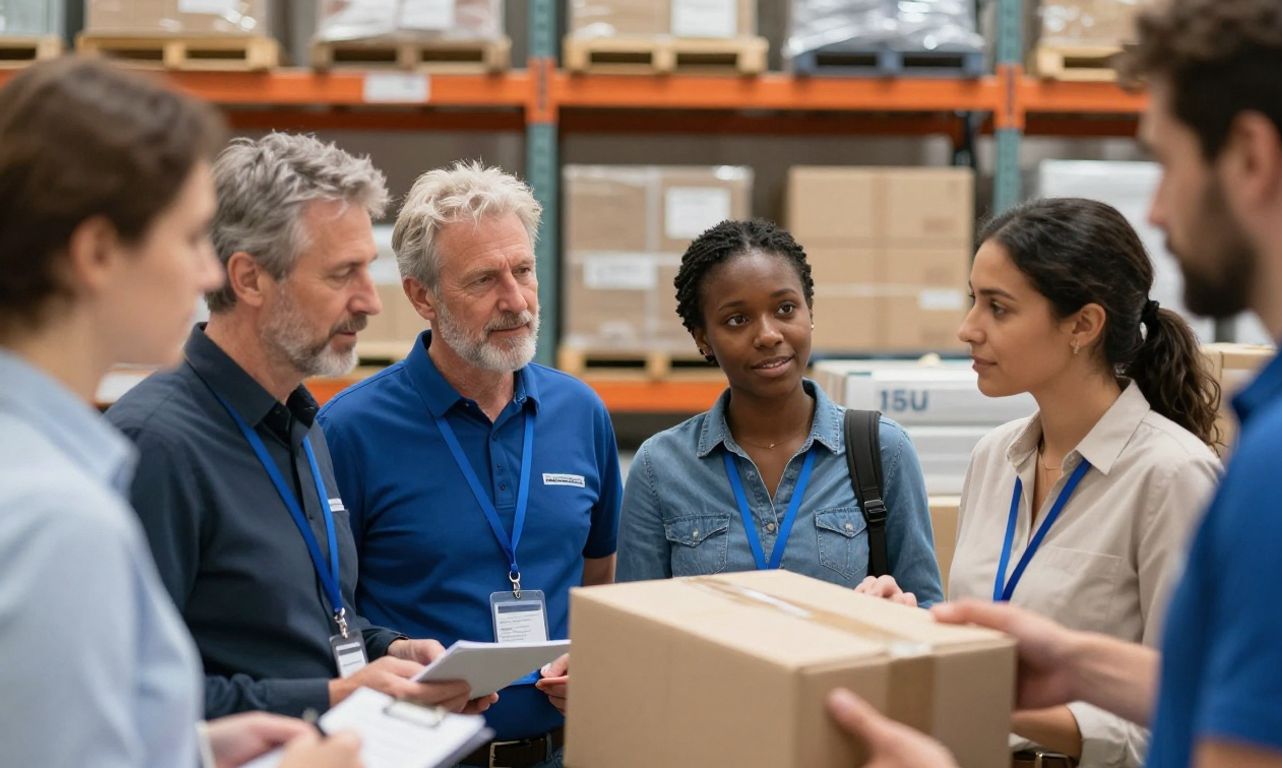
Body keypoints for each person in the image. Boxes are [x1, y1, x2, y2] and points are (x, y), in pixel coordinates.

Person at [828, 0, 1282, 766]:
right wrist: (1046, 665)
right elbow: (1232, 690)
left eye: (1167, 161)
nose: (1156, 207)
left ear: (1251, 156)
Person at [0, 57, 359, 767]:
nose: (206, 274)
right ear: (98, 253)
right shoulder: (57, 519)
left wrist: (191, 750)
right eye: (191, 237)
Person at [107, 132, 492, 720]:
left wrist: (387, 651)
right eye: (342, 275)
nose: (370, 302)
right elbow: (126, 693)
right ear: (250, 279)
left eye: (369, 270)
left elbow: (300, 629)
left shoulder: (303, 425)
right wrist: (331, 696)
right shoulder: (157, 446)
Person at [861, 198, 1222, 768]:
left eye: (998, 308)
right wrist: (909, 628)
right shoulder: (994, 458)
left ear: (1083, 325)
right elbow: (995, 636)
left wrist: (995, 702)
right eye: (972, 300)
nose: (967, 329)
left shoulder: (1172, 476)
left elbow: (1193, 714)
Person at [318, 161, 621, 768]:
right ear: (421, 295)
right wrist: (393, 650)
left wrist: (592, 661)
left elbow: (599, 579)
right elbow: (326, 609)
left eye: (524, 271)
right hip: (416, 753)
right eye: (484, 280)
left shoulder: (579, 412)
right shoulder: (350, 430)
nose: (515, 301)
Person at [616, 219, 943, 605]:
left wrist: (900, 611)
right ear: (703, 338)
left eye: (785, 308)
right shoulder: (661, 467)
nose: (769, 334)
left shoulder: (882, 451)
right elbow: (636, 626)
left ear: (810, 312)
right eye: (737, 320)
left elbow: (927, 610)